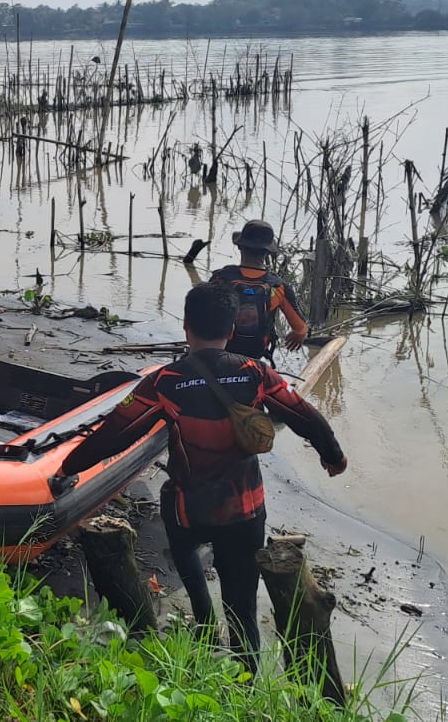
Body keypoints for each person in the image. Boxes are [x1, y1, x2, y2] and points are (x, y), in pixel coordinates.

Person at [54, 282, 347, 671]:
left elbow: (116, 432)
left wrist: (68, 466)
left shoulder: (163, 382)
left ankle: (204, 620)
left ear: (186, 325)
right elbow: (301, 413)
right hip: (244, 509)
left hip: (188, 508)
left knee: (185, 551)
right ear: (230, 331)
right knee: (241, 602)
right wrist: (333, 455)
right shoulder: (255, 372)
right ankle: (248, 674)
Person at [210, 220, 308, 361]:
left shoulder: (220, 279)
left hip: (221, 352)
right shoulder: (278, 286)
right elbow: (301, 328)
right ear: (267, 253)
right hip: (255, 356)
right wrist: (298, 336)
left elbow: (201, 315)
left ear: (240, 247)